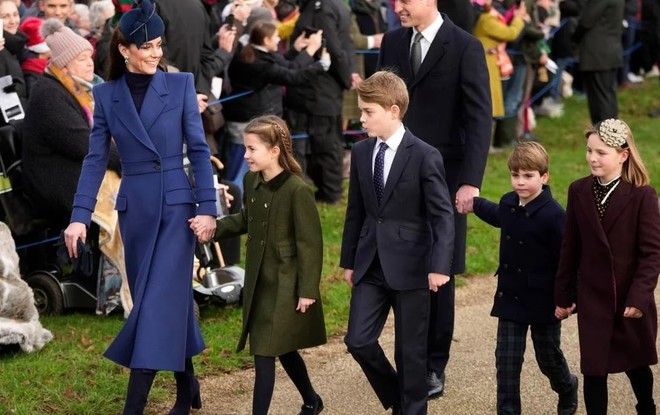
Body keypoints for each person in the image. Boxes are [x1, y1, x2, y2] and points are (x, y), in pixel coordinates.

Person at [63, 1, 217, 414]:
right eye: (146, 46)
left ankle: (135, 406)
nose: (155, 53)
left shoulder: (181, 84)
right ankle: (187, 385)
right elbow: (95, 160)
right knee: (162, 300)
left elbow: (199, 151)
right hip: (135, 215)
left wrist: (208, 208)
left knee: (151, 305)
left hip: (178, 210)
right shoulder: (105, 94)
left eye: (159, 45)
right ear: (124, 49)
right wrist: (79, 217)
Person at [377, 0, 491, 398]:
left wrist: (470, 181)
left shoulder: (465, 46)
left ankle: (432, 366)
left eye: (406, 0)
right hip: (395, 172)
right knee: (401, 263)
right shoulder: (392, 42)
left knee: (440, 267)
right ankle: (409, 357)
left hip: (446, 175)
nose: (398, 6)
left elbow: (479, 118)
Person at [341, 70, 454, 415]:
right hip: (370, 264)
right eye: (361, 111)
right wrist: (348, 261)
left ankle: (412, 409)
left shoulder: (424, 155)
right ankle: (399, 397)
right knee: (357, 340)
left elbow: (442, 215)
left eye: (368, 112)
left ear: (393, 110)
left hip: (413, 266)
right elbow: (355, 212)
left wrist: (439, 266)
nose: (361, 119)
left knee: (411, 353)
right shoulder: (361, 152)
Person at [210, 115, 326, 415]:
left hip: (286, 284)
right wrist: (213, 228)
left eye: (252, 149)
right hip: (259, 282)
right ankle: (312, 400)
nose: (245, 155)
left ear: (274, 151)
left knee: (264, 353)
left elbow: (310, 245)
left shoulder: (297, 190)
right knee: (282, 348)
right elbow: (247, 219)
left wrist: (307, 290)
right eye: (245, 148)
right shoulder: (252, 181)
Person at [555, 119, 660, 415]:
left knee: (636, 365)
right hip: (593, 297)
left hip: (628, 297)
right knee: (594, 369)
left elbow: (652, 254)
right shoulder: (578, 191)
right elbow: (570, 248)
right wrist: (563, 295)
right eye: (589, 150)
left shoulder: (642, 195)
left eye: (601, 152)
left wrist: (639, 297)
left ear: (623, 155)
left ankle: (647, 408)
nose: (592, 158)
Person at [467, 141, 578, 415]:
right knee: (506, 364)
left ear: (544, 177)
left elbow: (569, 262)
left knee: (548, 358)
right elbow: (499, 216)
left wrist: (569, 299)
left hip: (545, 301)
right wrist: (475, 204)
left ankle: (567, 386)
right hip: (511, 297)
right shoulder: (509, 202)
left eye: (528, 176)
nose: (520, 182)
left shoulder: (555, 215)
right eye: (515, 175)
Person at [23, 17, 119, 225]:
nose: (90, 63)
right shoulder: (49, 96)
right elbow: (86, 144)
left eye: (90, 56)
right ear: (64, 66)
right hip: (58, 184)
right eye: (82, 59)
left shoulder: (76, 87)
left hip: (75, 171)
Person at [223, 21, 329, 191]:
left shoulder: (253, 52)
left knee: (250, 168)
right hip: (247, 121)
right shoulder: (260, 64)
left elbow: (287, 66)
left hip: (247, 118)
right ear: (266, 40)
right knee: (241, 170)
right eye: (276, 37)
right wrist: (320, 63)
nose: (279, 40)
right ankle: (234, 200)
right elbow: (293, 76)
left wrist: (296, 49)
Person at [285, 0, 355, 204]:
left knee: (325, 144)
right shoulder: (334, 5)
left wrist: (346, 77)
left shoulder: (322, 8)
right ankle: (327, 190)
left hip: (319, 88)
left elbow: (332, 45)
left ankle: (330, 192)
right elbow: (345, 43)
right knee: (323, 143)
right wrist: (348, 73)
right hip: (320, 88)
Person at [472, 0, 526, 149]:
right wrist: (518, 18)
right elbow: (510, 33)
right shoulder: (487, 20)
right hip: (487, 65)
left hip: (490, 64)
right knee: (488, 106)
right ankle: (485, 146)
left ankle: (487, 145)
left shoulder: (487, 18)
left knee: (490, 105)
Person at [573, 0, 624, 124]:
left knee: (599, 100)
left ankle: (604, 132)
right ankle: (612, 131)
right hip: (609, 50)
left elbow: (586, 21)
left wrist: (574, 37)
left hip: (597, 53)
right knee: (608, 96)